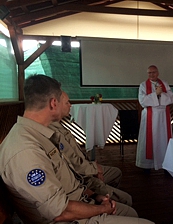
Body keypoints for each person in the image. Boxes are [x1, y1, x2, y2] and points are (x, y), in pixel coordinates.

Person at [0, 74, 154, 224]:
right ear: (53, 103)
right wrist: (101, 209)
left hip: (78, 201)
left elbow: (68, 181)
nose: (68, 105)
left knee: (130, 212)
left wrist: (95, 196)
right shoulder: (26, 151)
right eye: (63, 101)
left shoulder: (39, 134)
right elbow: (60, 212)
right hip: (68, 218)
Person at [49, 92, 132, 206]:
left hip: (85, 172)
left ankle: (108, 197)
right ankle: (109, 201)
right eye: (67, 102)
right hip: (82, 180)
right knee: (127, 200)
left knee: (116, 173)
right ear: (54, 104)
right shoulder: (51, 132)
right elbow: (73, 165)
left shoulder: (58, 126)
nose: (70, 105)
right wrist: (93, 170)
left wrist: (92, 164)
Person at [136, 65, 173, 171]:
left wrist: (161, 94)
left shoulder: (165, 84)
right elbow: (142, 101)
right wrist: (155, 95)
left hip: (162, 116)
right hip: (150, 116)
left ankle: (165, 164)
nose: (151, 74)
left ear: (158, 73)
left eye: (153, 72)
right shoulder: (143, 85)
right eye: (149, 73)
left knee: (163, 139)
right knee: (148, 140)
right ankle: (146, 165)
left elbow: (171, 98)